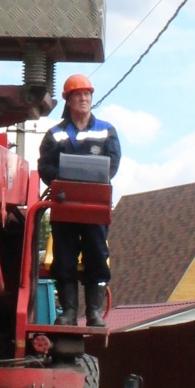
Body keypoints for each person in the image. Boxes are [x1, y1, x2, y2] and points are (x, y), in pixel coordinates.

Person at [37, 73, 121, 327]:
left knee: (97, 254)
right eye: (78, 94)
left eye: (87, 94)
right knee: (64, 256)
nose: (84, 98)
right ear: (68, 99)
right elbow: (45, 166)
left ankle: (94, 312)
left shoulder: (106, 131)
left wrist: (92, 182)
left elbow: (112, 164)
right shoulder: (55, 134)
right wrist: (59, 182)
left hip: (95, 207)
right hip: (64, 206)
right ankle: (69, 312)